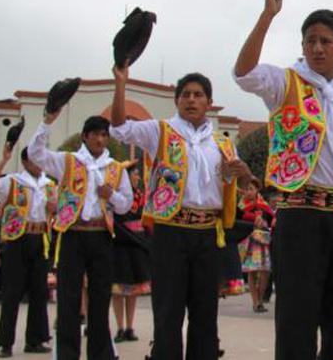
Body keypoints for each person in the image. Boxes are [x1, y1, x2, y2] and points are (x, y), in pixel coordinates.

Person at [234, 0, 333, 360]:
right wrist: (267, 15)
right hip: (300, 214)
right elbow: (243, 73)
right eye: (310, 41)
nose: (317, 48)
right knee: (297, 320)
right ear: (302, 46)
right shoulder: (286, 83)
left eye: (326, 41)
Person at [110, 68, 250, 360]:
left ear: (208, 102)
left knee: (204, 312)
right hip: (170, 231)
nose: (191, 99)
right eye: (185, 94)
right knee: (168, 310)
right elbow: (120, 128)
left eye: (198, 95)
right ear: (176, 101)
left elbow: (232, 186)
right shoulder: (160, 131)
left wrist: (237, 175)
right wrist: (121, 84)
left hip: (207, 231)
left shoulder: (222, 143)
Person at [28, 111, 132, 360]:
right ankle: (66, 354)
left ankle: (101, 353)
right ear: (85, 137)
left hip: (101, 234)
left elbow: (126, 205)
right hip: (73, 234)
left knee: (100, 297)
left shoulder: (116, 169)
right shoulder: (69, 161)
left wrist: (111, 195)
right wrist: (46, 122)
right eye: (95, 134)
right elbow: (36, 154)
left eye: (104, 135)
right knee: (69, 299)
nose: (100, 139)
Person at [0, 145, 56, 356]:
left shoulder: (49, 185)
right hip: (17, 240)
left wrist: (54, 208)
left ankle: (35, 339)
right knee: (12, 292)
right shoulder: (14, 181)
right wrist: (4, 160)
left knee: (38, 291)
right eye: (35, 160)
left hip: (40, 238)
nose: (39, 164)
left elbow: (58, 210)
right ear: (26, 162)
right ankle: (5, 342)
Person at [111, 165, 151, 344]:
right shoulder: (117, 197)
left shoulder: (141, 197)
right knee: (119, 290)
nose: (137, 178)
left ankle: (130, 326)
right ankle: (119, 327)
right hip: (120, 245)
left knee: (133, 289)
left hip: (137, 245)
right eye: (134, 175)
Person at [238, 178, 273, 314]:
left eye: (251, 189)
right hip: (248, 242)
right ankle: (255, 302)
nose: (249, 192)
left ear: (257, 190)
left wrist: (265, 223)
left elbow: (270, 221)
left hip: (263, 243)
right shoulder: (240, 207)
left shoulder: (264, 206)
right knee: (252, 272)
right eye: (246, 189)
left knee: (265, 271)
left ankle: (260, 297)